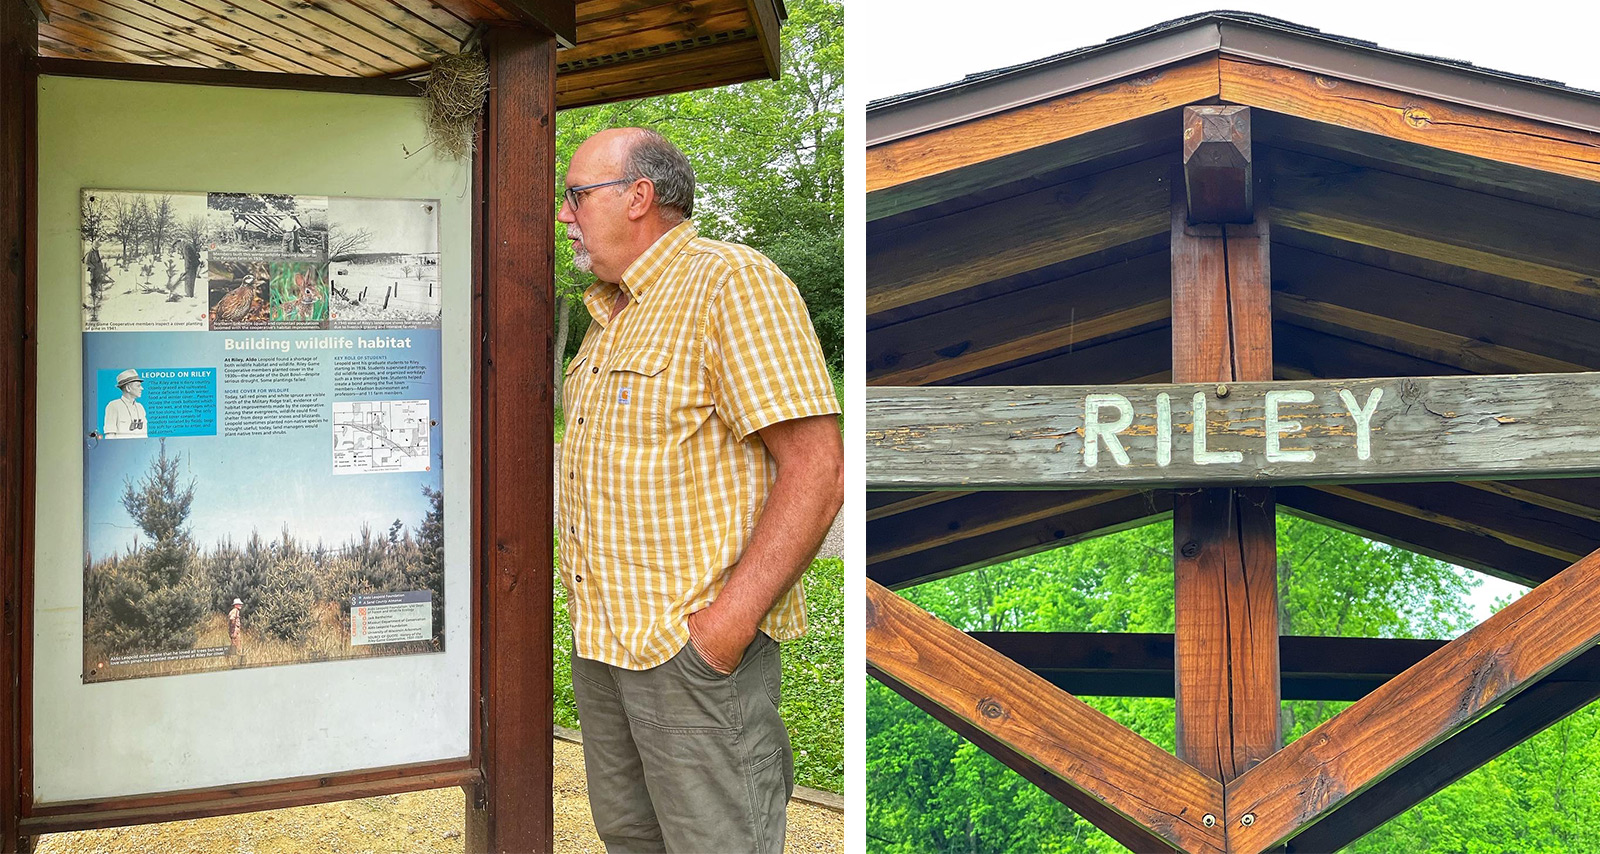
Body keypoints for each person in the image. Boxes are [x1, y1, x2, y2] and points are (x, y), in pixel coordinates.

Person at [556, 127, 843, 854]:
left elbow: (819, 468)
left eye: (576, 196)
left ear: (638, 198)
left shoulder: (732, 283)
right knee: (631, 835)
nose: (566, 216)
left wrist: (721, 632)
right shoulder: (608, 316)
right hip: (605, 645)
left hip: (691, 656)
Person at [103, 368, 148, 439]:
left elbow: (145, 434)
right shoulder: (113, 406)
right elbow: (109, 436)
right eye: (138, 386)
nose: (142, 388)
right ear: (128, 388)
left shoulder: (140, 407)